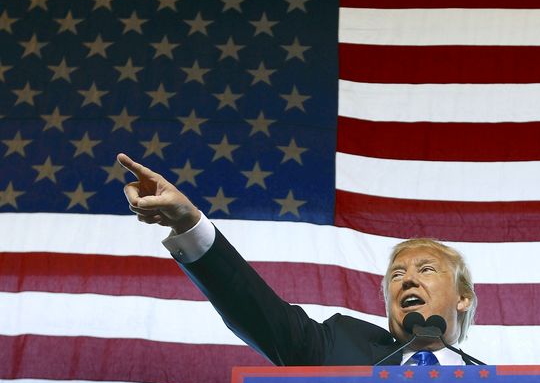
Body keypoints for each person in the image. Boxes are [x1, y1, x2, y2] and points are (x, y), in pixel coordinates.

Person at [117, 153, 478, 366]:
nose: (407, 281)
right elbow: (257, 312)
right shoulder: (339, 345)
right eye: (396, 275)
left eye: (426, 269)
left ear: (463, 297)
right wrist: (188, 223)